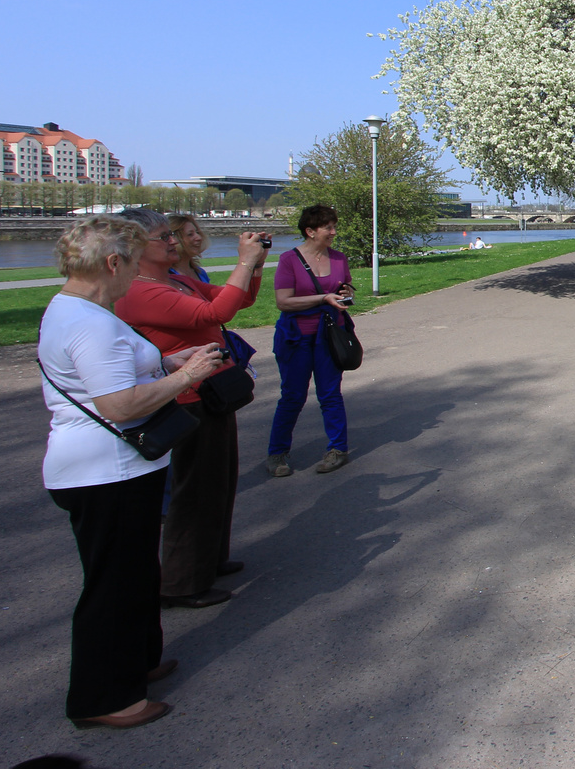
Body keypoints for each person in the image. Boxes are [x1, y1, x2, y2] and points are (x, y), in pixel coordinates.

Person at [38, 215, 223, 728]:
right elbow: (119, 403)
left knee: (136, 573)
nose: (134, 277)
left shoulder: (79, 309)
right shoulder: (90, 321)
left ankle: (138, 660)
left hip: (114, 469)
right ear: (113, 262)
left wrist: (165, 364)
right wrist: (185, 376)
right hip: (104, 471)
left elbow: (117, 371)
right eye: (131, 264)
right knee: (113, 586)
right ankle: (105, 698)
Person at [115, 208, 266, 608]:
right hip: (186, 398)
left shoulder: (176, 280)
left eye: (171, 235)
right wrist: (244, 262)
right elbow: (215, 313)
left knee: (220, 480)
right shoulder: (140, 290)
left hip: (211, 391)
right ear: (133, 246)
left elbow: (240, 298)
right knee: (194, 491)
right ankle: (182, 582)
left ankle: (209, 560)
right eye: (163, 237)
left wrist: (254, 266)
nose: (173, 242)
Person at [267, 204, 356, 477]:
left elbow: (348, 288)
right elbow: (284, 302)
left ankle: (337, 449)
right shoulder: (289, 260)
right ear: (310, 231)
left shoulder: (339, 258)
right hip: (297, 337)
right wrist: (323, 298)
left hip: (329, 336)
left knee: (330, 394)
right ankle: (277, 453)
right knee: (292, 396)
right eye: (328, 227)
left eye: (334, 226)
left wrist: (346, 292)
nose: (333, 232)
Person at [167, 213, 211, 283]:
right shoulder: (167, 276)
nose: (199, 238)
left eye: (197, 232)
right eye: (190, 234)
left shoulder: (200, 273)